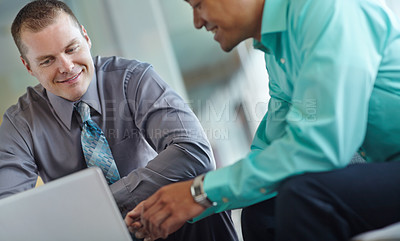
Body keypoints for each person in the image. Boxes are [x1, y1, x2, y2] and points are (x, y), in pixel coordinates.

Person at [125, 0, 400, 240]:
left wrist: (199, 192)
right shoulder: (278, 53)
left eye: (198, 4)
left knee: (304, 197)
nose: (197, 22)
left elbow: (320, 147)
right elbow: (270, 152)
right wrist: (185, 205)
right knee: (261, 214)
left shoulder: (326, 9)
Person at [0, 1, 239, 241]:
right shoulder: (19, 124)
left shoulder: (133, 79)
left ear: (86, 37)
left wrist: (102, 203)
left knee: (201, 203)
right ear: (28, 66)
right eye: (47, 61)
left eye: (71, 49)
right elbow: (8, 213)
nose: (67, 67)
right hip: (92, 236)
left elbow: (194, 153)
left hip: (162, 219)